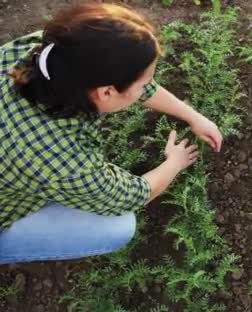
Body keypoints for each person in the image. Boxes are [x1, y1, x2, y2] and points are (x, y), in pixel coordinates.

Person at [0, 3, 223, 264]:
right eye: (142, 84)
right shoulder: (62, 160)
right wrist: (175, 163)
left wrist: (192, 116)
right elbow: (130, 197)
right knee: (117, 226)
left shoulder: (48, 53)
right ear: (105, 92)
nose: (147, 87)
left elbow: (132, 82)